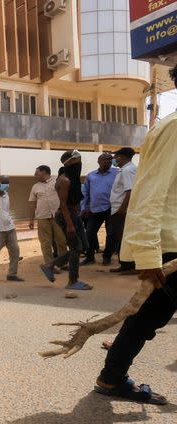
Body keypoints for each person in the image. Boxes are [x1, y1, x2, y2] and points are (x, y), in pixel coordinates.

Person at [92, 67, 177, 405]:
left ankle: (111, 379)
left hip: (166, 247)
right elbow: (149, 193)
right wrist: (146, 256)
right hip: (169, 247)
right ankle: (111, 379)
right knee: (146, 318)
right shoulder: (172, 129)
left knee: (145, 318)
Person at [39, 151, 92, 290]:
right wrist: (69, 224)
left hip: (73, 214)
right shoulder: (65, 180)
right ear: (69, 163)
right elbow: (63, 204)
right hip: (66, 215)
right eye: (77, 161)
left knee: (84, 246)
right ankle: (72, 281)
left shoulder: (71, 177)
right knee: (76, 248)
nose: (80, 163)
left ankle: (50, 265)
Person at [80, 153, 118, 266]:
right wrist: (84, 208)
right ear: (99, 161)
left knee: (111, 234)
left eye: (110, 160)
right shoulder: (90, 176)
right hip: (95, 209)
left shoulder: (117, 173)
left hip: (112, 208)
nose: (108, 162)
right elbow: (85, 193)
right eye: (105, 160)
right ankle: (90, 256)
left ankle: (107, 256)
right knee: (90, 233)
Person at [28, 165, 67, 270]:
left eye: (37, 173)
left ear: (44, 172)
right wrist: (31, 219)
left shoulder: (57, 180)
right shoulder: (35, 186)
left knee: (62, 241)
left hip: (58, 216)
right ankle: (50, 266)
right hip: (42, 217)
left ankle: (62, 264)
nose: (35, 175)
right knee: (45, 243)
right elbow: (32, 203)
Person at [108, 147, 138, 274]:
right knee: (119, 237)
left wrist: (123, 208)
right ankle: (124, 264)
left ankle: (130, 265)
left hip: (121, 210)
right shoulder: (124, 169)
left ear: (122, 157)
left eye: (116, 157)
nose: (114, 159)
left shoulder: (128, 170)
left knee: (123, 238)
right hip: (117, 208)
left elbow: (130, 190)